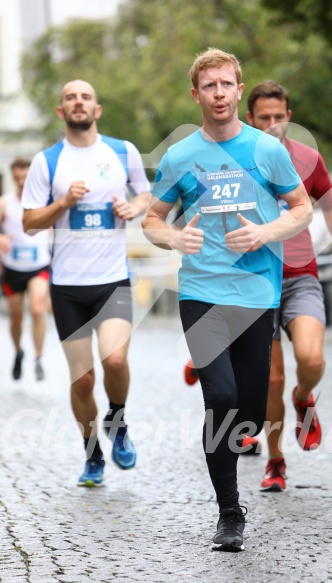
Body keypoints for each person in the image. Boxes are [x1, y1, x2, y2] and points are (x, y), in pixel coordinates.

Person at [142, 49, 312, 552]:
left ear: (239, 90)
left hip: (257, 292)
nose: (218, 93)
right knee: (219, 399)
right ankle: (229, 513)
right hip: (202, 294)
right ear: (196, 95)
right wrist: (173, 239)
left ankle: (243, 426)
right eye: (208, 86)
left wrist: (264, 232)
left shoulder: (267, 150)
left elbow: (300, 209)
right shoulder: (179, 157)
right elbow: (152, 219)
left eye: (226, 84)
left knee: (251, 417)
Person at [22, 80, 150, 487]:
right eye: (70, 98)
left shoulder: (122, 151)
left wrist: (133, 206)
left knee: (114, 361)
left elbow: (148, 195)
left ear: (97, 109)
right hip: (68, 287)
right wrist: (63, 204)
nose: (78, 102)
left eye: (86, 97)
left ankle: (119, 419)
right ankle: (93, 453)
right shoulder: (47, 162)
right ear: (61, 111)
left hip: (113, 280)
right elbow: (28, 223)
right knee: (82, 380)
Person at [244, 81, 332, 491]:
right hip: (255, 282)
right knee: (270, 380)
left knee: (310, 360)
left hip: (300, 276)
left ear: (288, 116)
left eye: (279, 116)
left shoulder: (308, 158)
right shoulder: (238, 161)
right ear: (250, 120)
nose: (273, 124)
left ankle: (304, 396)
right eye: (264, 118)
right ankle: (276, 461)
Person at [0, 157, 51, 381]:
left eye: (25, 177)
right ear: (13, 177)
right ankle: (19, 351)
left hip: (38, 265)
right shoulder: (5, 202)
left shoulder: (45, 201)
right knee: (16, 319)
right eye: (17, 177)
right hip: (12, 267)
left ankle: (38, 357)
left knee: (37, 309)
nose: (21, 182)